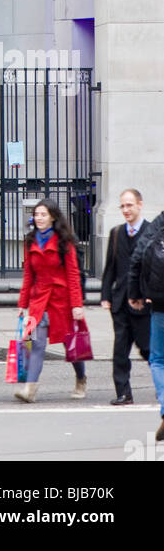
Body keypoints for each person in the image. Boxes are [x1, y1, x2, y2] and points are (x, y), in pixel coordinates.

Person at [15, 197, 86, 403]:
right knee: (36, 345)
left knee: (70, 345)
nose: (39, 218)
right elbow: (28, 275)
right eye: (36, 214)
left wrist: (77, 305)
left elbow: (73, 275)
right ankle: (30, 388)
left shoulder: (65, 241)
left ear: (53, 217)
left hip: (61, 301)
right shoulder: (30, 241)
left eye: (43, 214)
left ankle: (81, 378)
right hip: (39, 300)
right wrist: (22, 304)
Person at [101, 188, 151, 405]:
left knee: (148, 349)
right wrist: (105, 295)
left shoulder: (153, 233)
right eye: (122, 206)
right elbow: (109, 268)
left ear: (140, 205)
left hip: (143, 303)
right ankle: (123, 392)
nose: (126, 210)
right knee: (120, 350)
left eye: (129, 205)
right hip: (120, 302)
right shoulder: (115, 233)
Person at [128, 203, 164, 442]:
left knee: (159, 359)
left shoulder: (159, 223)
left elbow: (139, 256)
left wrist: (135, 293)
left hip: (161, 305)